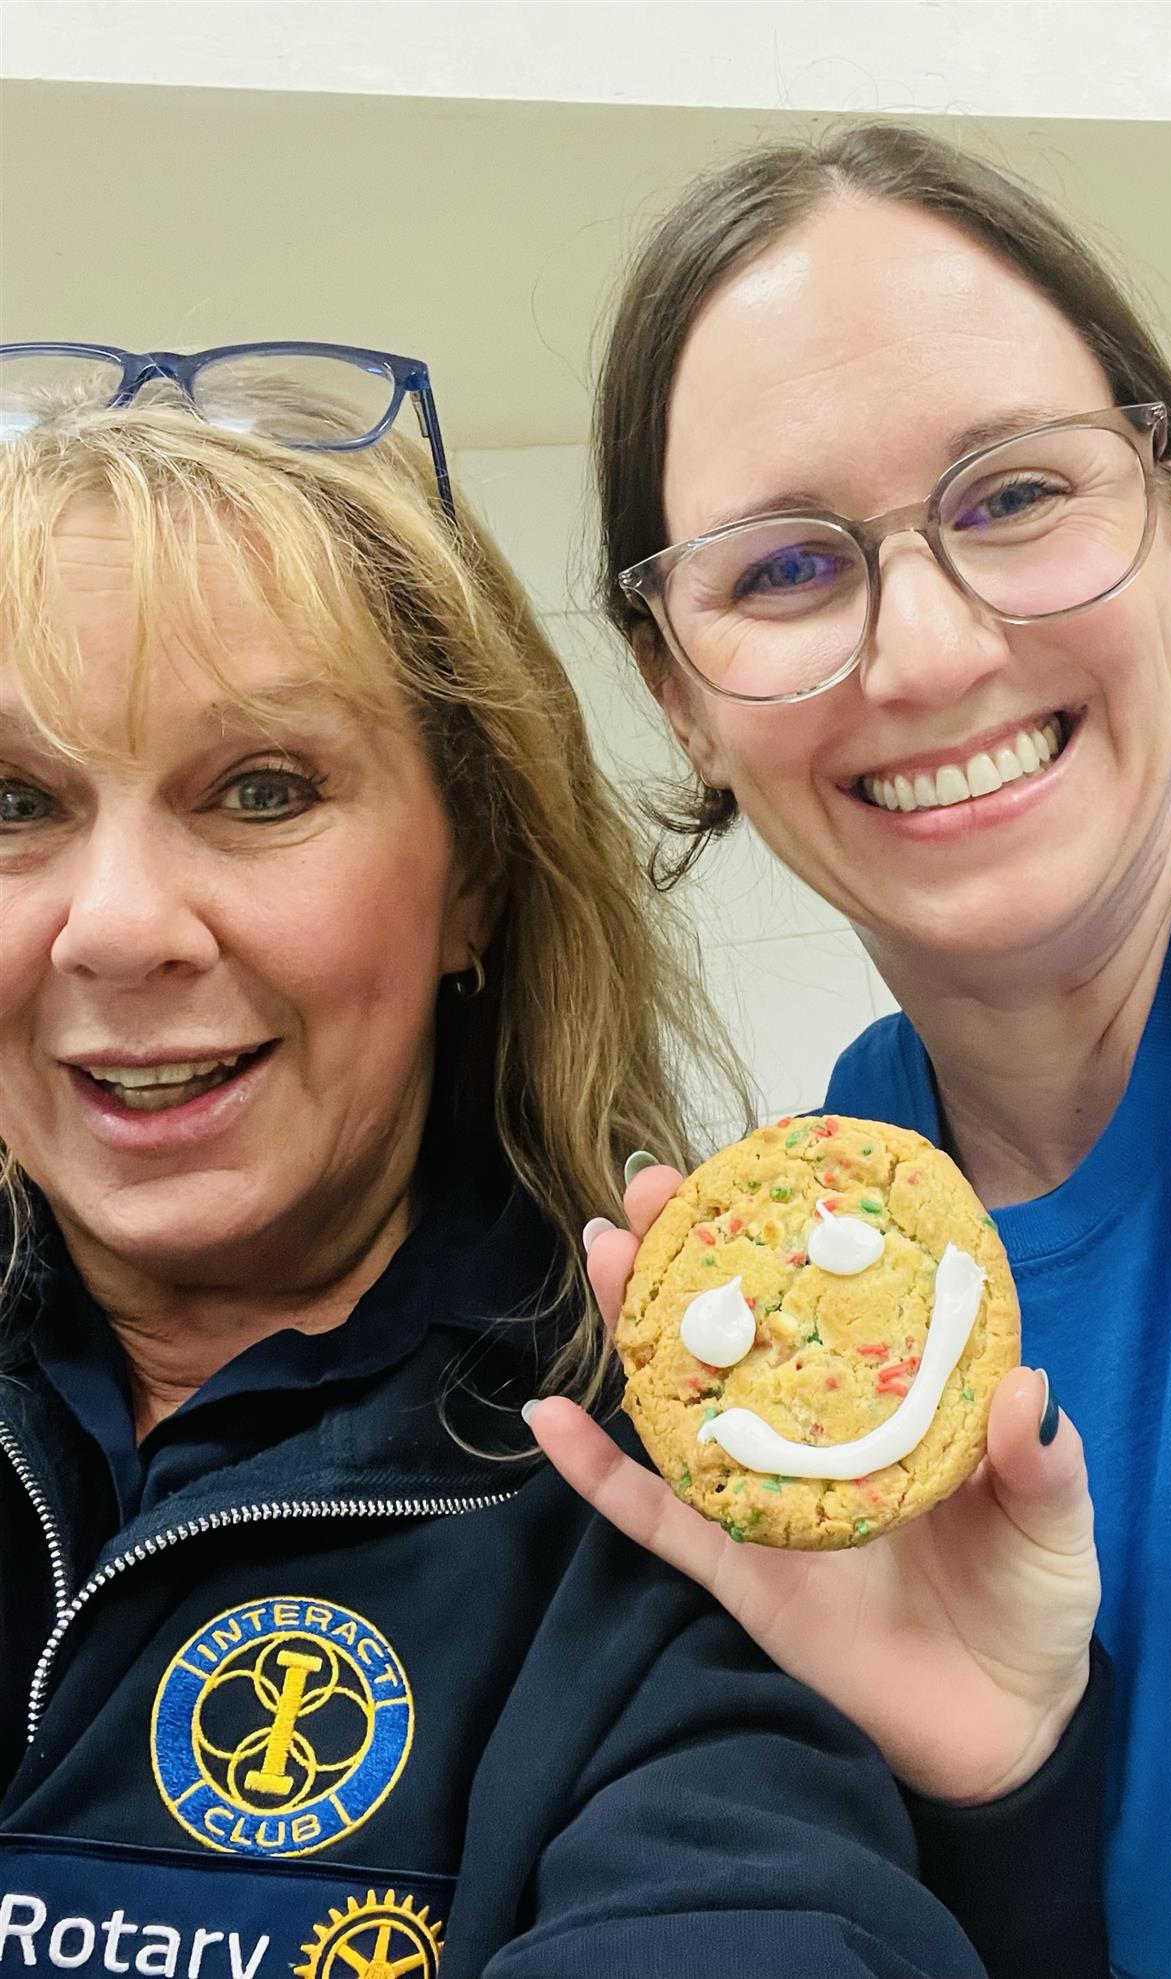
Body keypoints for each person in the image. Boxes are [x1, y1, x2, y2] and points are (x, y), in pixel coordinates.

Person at [531, 123, 1171, 1979]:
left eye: (1013, 496)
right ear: (678, 695)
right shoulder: (827, 1321)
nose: (925, 651)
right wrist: (1009, 1788)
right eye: (783, 570)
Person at [0, 347, 1091, 1976]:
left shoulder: (667, 1522)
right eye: (15, 800)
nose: (122, 927)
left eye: (263, 789)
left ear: (475, 883)